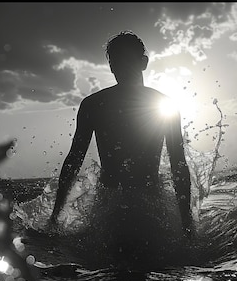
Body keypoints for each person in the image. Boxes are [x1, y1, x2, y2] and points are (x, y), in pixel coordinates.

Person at [48, 30, 195, 237]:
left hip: (112, 207)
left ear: (143, 62)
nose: (122, 69)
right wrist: (187, 224)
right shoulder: (164, 104)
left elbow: (74, 160)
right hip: (144, 206)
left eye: (126, 62)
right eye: (119, 63)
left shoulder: (94, 104)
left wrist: (54, 217)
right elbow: (179, 165)